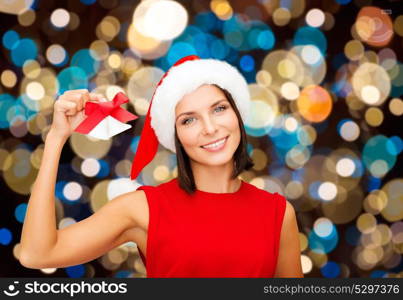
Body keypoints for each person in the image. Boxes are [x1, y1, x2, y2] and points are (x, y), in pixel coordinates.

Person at [19, 55, 303, 278]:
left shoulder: (278, 213)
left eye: (219, 109)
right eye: (189, 119)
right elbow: (36, 253)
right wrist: (56, 138)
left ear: (237, 114)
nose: (210, 128)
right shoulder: (143, 208)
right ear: (175, 134)